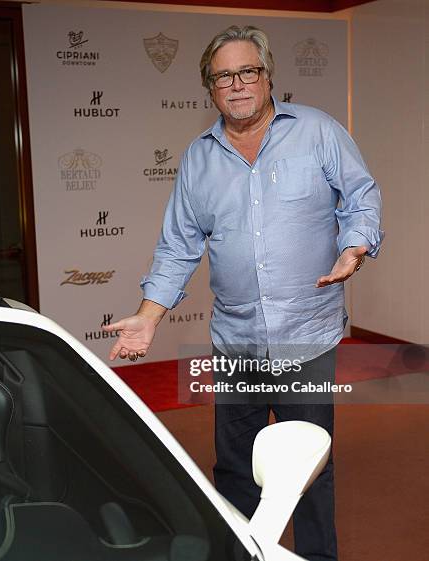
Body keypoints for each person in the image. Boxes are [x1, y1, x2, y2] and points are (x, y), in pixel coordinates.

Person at [104, 25, 383, 561]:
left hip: (306, 335)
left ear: (268, 75)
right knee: (234, 467)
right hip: (236, 341)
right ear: (210, 88)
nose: (236, 84)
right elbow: (178, 246)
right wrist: (148, 316)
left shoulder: (319, 132)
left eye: (246, 71)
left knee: (307, 465)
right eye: (222, 76)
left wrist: (356, 245)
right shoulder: (198, 159)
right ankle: (240, 554)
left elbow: (361, 198)